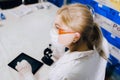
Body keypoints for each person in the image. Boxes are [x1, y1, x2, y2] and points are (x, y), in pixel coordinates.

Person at [15, 3, 109, 80]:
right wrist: (64, 57)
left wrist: (27, 74)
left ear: (75, 37)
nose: (53, 31)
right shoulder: (101, 41)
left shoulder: (65, 73)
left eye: (57, 27)